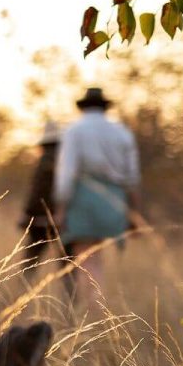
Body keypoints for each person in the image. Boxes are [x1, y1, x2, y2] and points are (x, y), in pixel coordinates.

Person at [54, 87, 140, 304]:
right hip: (114, 200)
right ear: (104, 107)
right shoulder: (122, 132)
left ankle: (91, 308)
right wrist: (133, 211)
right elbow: (132, 176)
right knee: (96, 256)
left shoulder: (74, 130)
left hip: (85, 197)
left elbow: (67, 172)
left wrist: (61, 208)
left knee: (85, 257)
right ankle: (97, 306)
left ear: (83, 107)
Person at [18, 121, 61, 277]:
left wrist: (27, 213)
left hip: (41, 219)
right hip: (63, 219)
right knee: (66, 262)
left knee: (30, 261)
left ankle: (22, 288)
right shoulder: (67, 161)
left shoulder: (44, 161)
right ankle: (70, 291)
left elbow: (37, 192)